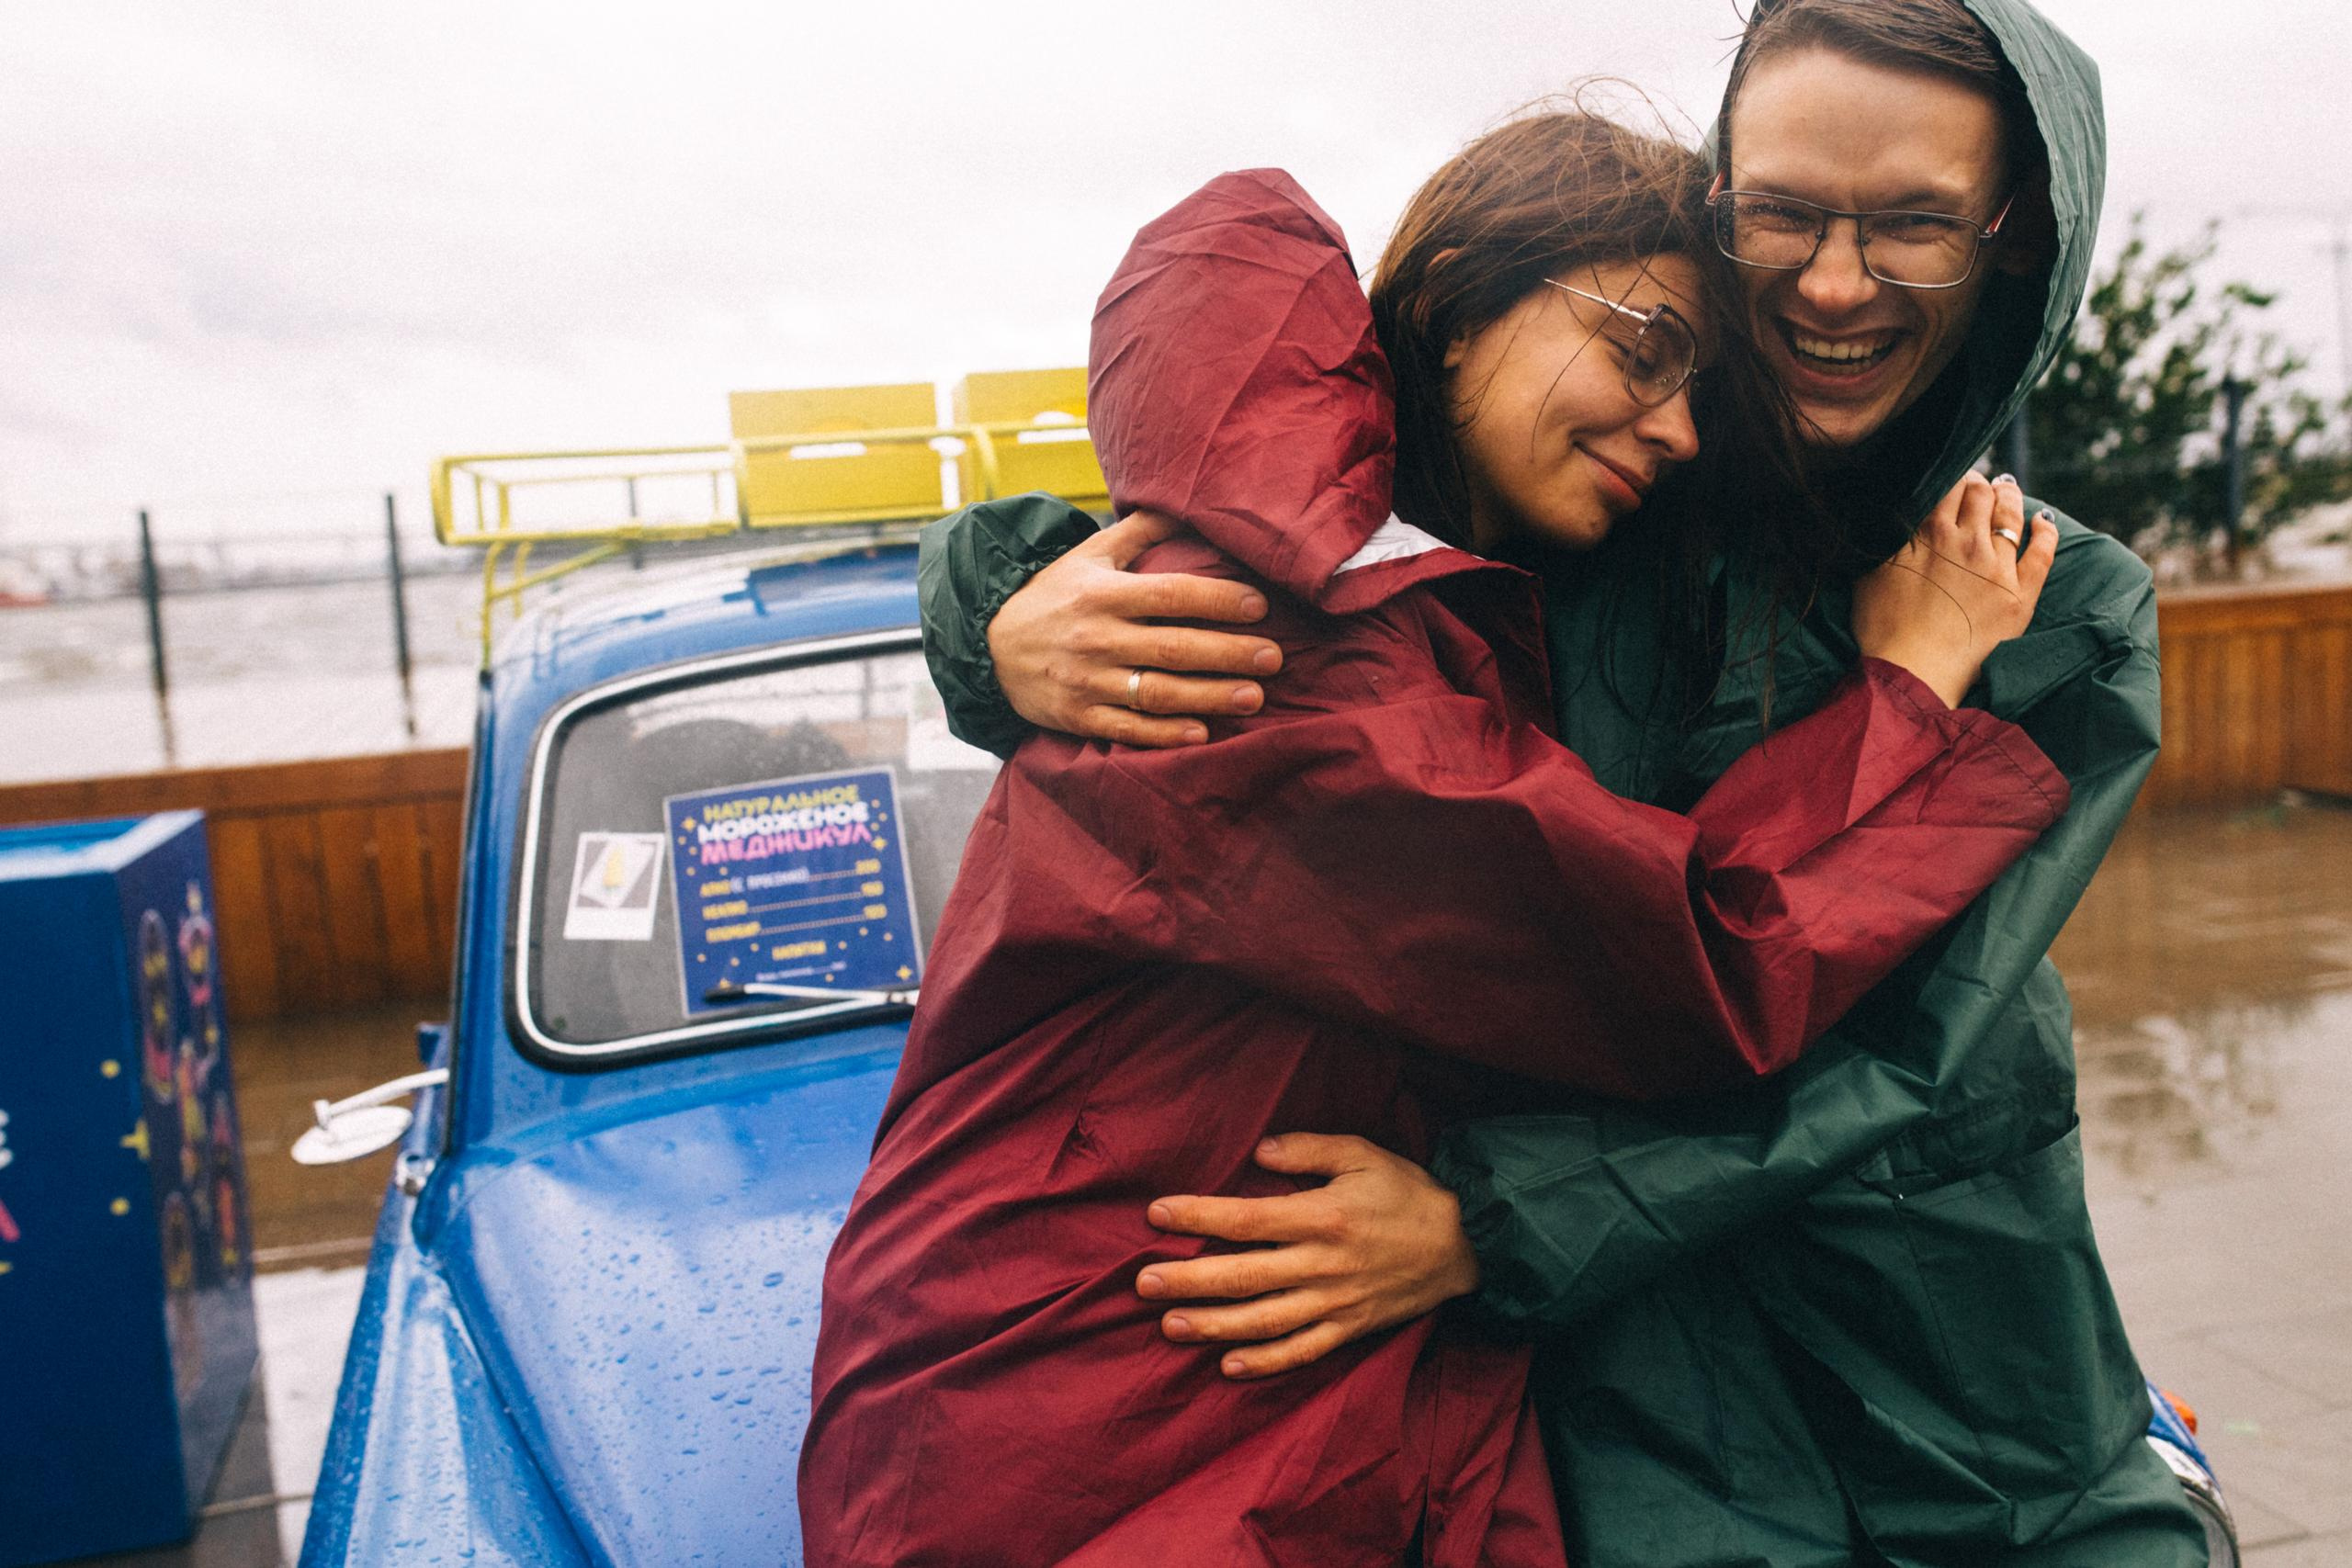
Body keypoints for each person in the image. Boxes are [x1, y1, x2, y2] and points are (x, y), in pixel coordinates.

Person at [910, 1, 2209, 1563]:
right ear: (1723, 202)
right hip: (1646, 1429)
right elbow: (1298, 567)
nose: (1837, 281)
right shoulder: (1600, 518)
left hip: (1971, 1384)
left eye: (1915, 226)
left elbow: (1907, 1052)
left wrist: (1492, 1222)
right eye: (1786, 214)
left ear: (2015, 239)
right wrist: (997, 605)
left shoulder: (2054, 607)